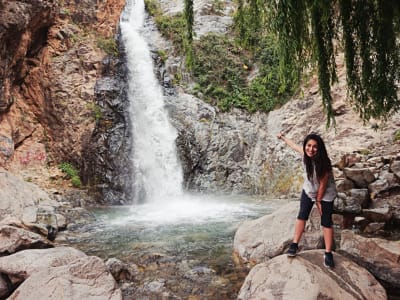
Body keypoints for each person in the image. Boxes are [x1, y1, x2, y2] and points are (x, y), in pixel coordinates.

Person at [277, 132, 337, 268]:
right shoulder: (305, 155)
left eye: (315, 147)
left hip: (325, 193)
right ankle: (294, 244)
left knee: (326, 221)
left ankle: (328, 253)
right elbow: (293, 145)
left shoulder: (324, 163)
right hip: (309, 189)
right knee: (302, 215)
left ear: (319, 148)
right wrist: (283, 137)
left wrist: (319, 201)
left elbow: (323, 185)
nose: (311, 149)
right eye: (308, 146)